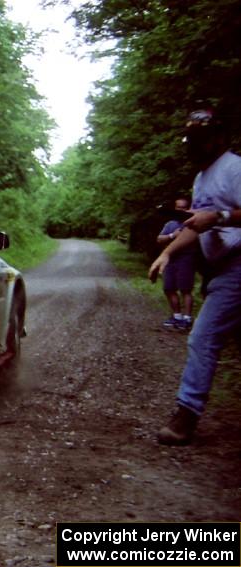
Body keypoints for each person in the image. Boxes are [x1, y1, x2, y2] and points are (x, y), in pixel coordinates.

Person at [148, 107, 241, 445]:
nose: (195, 145)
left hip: (237, 264)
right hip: (218, 268)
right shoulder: (202, 178)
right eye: (192, 139)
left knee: (203, 337)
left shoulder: (234, 168)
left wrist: (220, 216)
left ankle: (186, 414)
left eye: (203, 138)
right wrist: (167, 253)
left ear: (218, 137)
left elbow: (214, 219)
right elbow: (195, 226)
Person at [156, 196, 196, 331]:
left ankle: (187, 319)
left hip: (186, 259)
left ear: (188, 209)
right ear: (175, 208)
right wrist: (173, 235)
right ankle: (177, 316)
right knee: (168, 288)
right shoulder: (170, 224)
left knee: (185, 289)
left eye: (184, 208)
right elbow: (159, 239)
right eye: (178, 207)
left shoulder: (193, 223)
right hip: (170, 260)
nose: (181, 210)